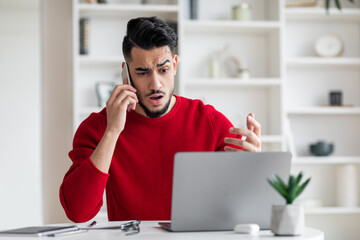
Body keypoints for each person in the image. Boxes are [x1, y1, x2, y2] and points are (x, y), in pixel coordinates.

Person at [60, 16, 261, 223]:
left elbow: (240, 206)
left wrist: (253, 166)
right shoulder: (98, 127)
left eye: (163, 70)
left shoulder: (209, 121)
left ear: (174, 65)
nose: (155, 84)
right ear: (126, 73)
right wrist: (112, 132)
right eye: (142, 72)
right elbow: (78, 211)